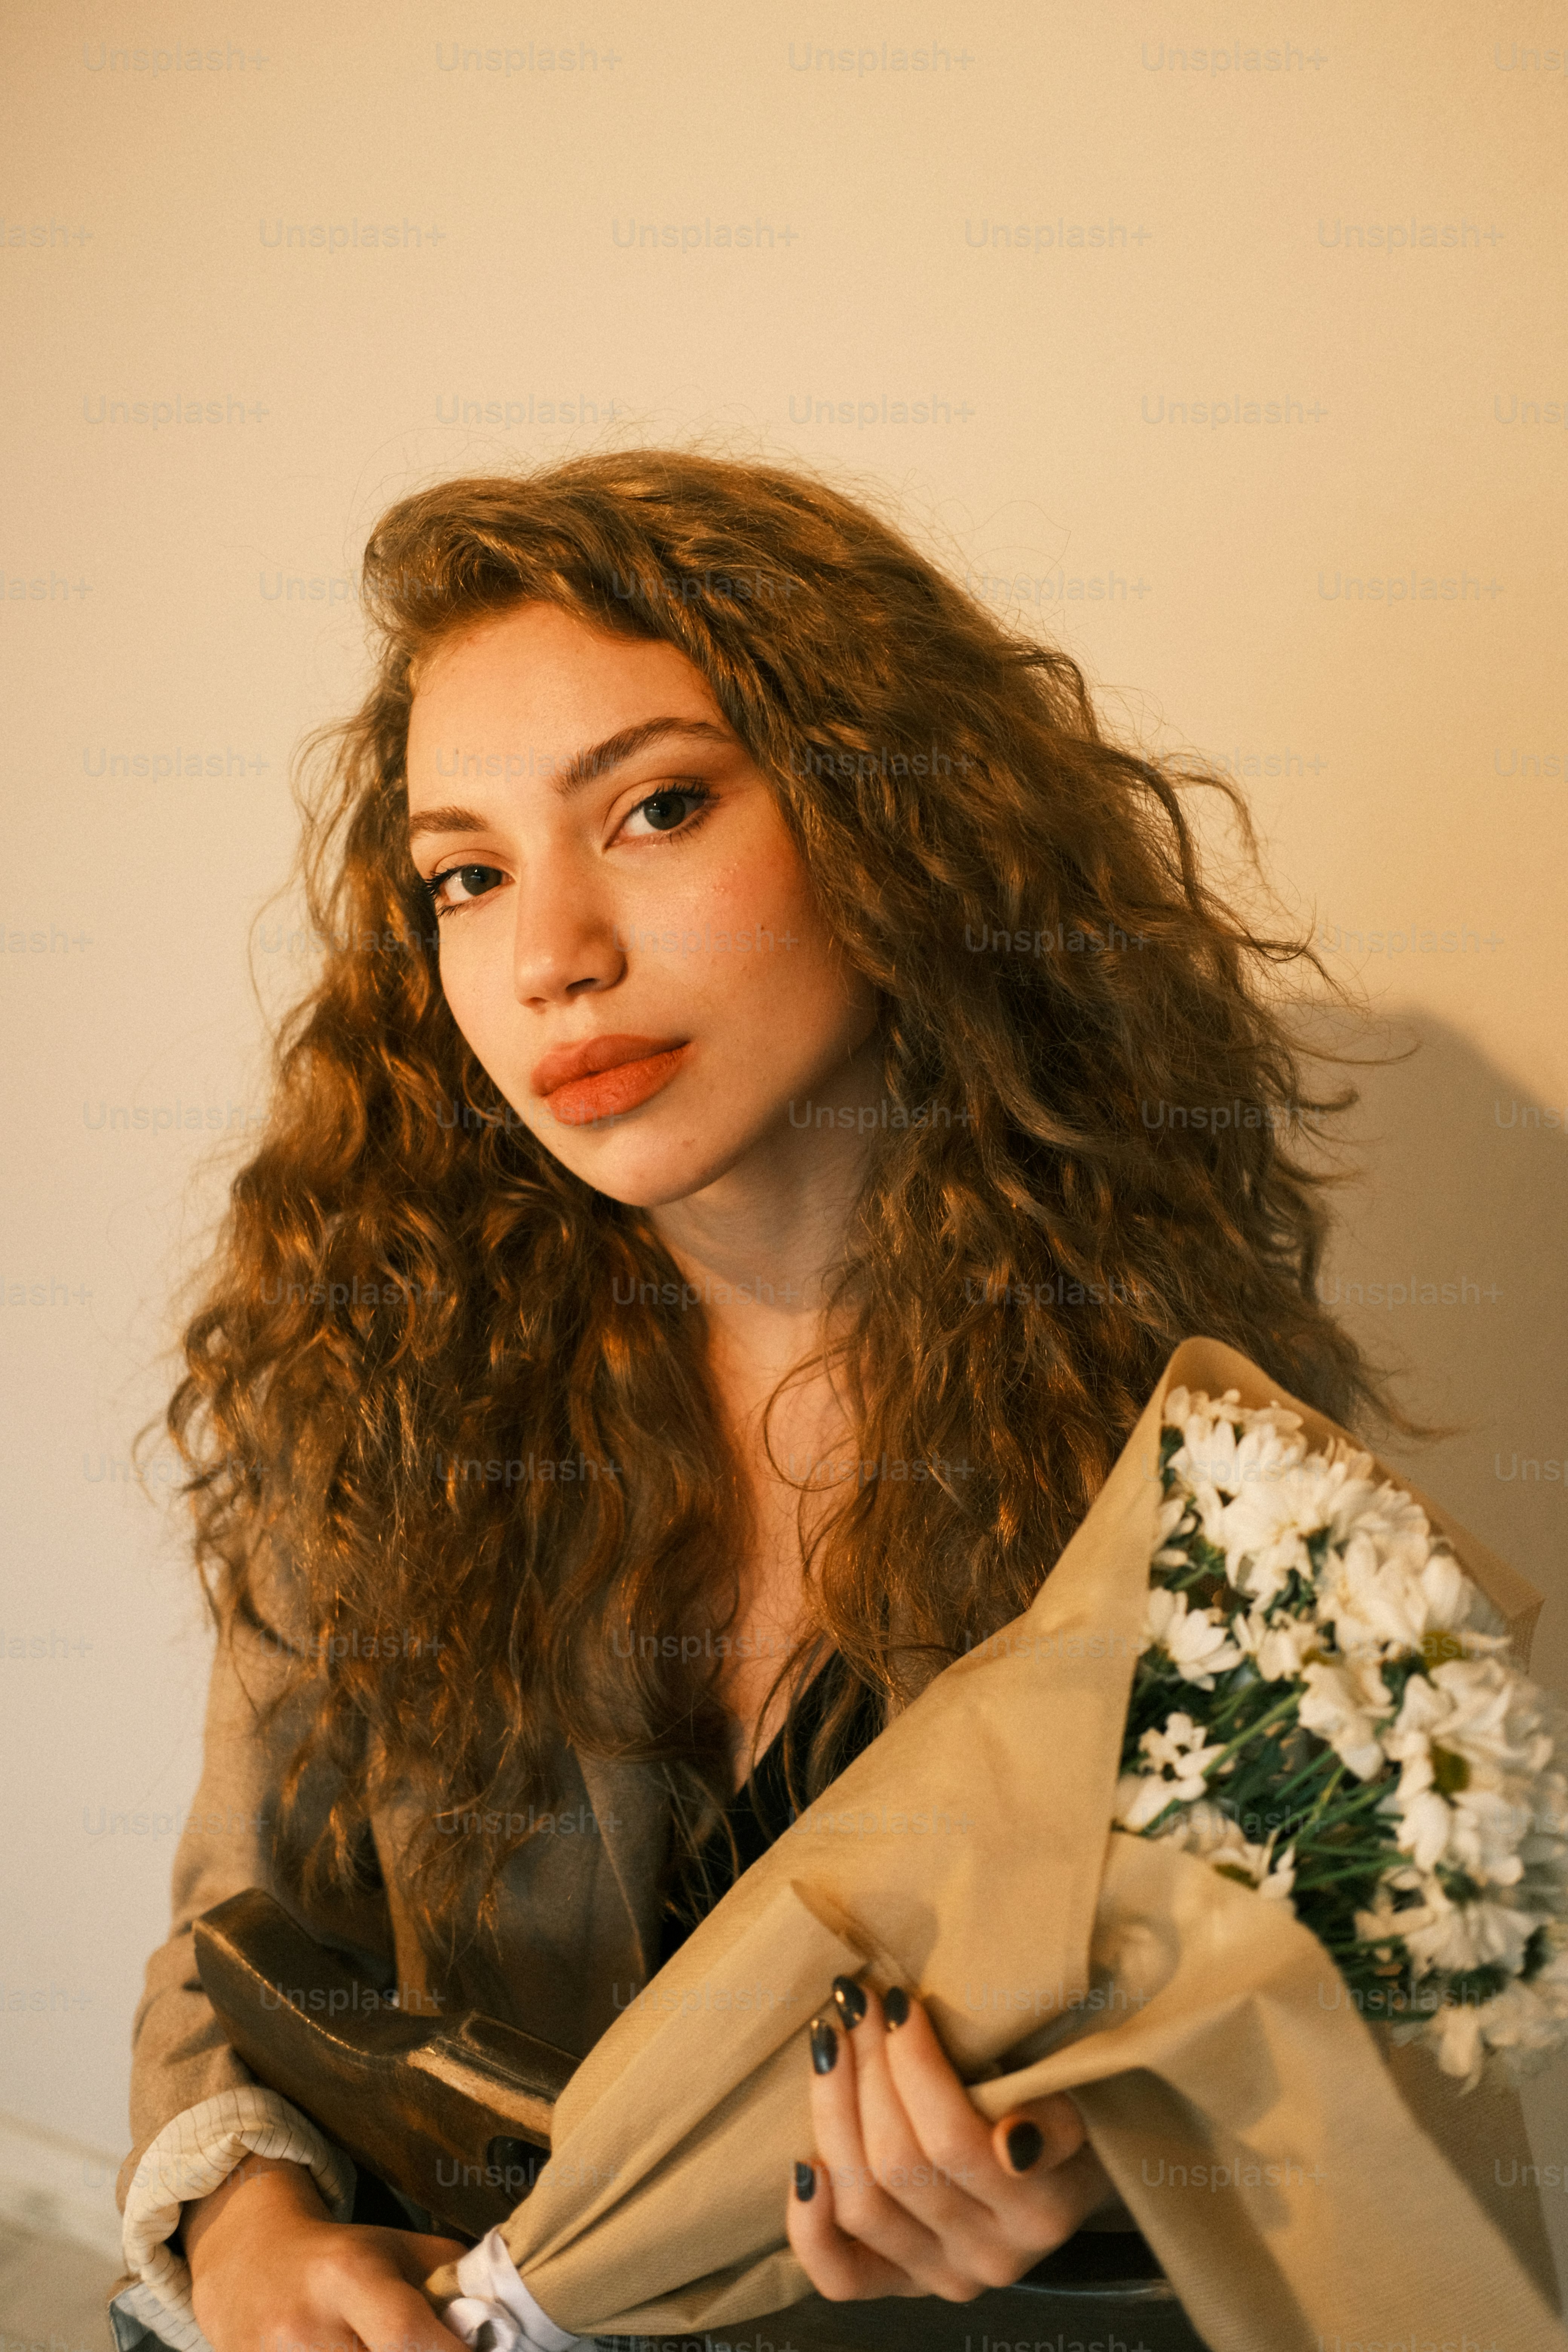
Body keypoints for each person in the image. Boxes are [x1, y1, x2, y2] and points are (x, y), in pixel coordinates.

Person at [111, 448, 1421, 2352]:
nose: (551, 955)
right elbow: (242, 1944)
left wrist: (1090, 2170)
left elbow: (1324, 2046)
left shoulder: (1201, 1468)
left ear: (902, 825)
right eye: (464, 875)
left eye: (652, 809)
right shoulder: (382, 1380)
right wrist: (238, 2226)